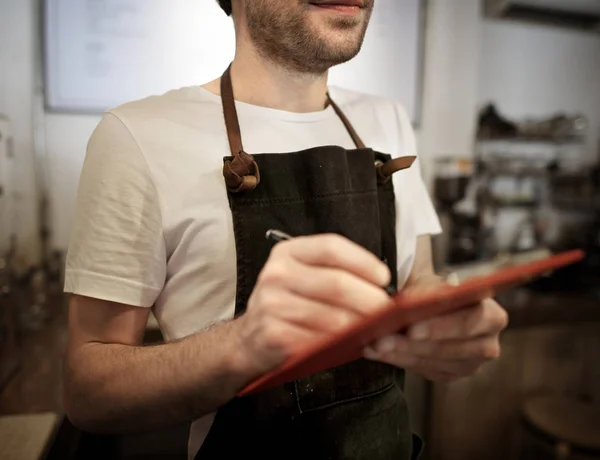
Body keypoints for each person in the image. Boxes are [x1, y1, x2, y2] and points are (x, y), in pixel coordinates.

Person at [63, 0, 509, 459]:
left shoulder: (387, 120)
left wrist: (448, 323)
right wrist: (243, 343)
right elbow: (89, 394)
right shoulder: (138, 136)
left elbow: (420, 281)